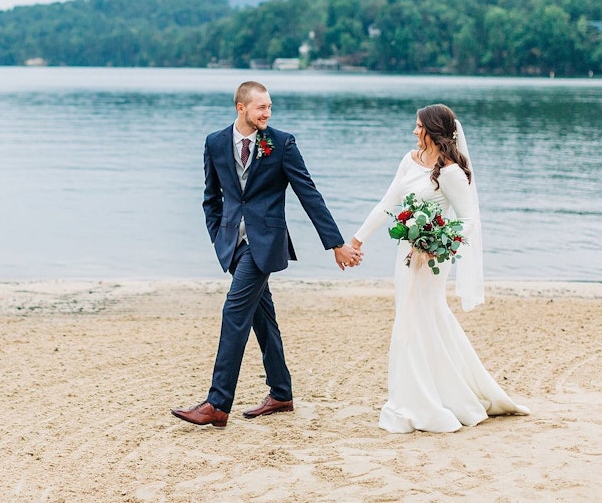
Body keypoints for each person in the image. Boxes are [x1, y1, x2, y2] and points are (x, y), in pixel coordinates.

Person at [172, 81, 362, 428]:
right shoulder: (215, 142)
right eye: (261, 107)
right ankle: (281, 392)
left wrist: (336, 244)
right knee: (262, 316)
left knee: (234, 312)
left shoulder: (282, 143)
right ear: (241, 108)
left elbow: (309, 194)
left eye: (270, 107)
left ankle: (218, 404)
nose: (267, 113)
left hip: (266, 242)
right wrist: (219, 237)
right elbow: (211, 198)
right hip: (233, 244)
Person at [350, 104, 530, 433]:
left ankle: (420, 400)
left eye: (419, 127)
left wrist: (437, 243)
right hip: (407, 252)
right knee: (417, 317)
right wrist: (357, 240)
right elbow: (387, 204)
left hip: (434, 257)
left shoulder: (451, 173)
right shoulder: (409, 160)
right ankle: (436, 391)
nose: (414, 131)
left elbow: (469, 220)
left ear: (434, 131)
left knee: (416, 319)